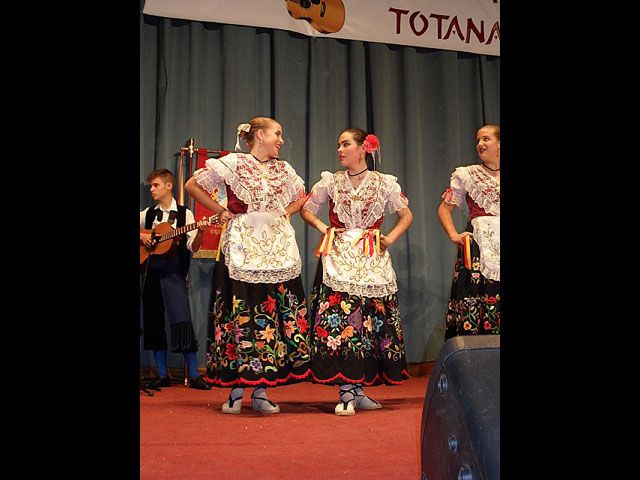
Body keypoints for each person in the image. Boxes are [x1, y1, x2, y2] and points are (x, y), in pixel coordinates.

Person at [184, 117, 312, 414]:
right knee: (241, 314)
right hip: (241, 246)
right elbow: (192, 184)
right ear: (259, 135)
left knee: (271, 315)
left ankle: (263, 391)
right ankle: (235, 390)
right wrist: (220, 211)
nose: (281, 140)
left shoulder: (284, 169)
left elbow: (300, 197)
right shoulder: (233, 163)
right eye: (277, 134)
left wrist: (283, 212)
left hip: (275, 248)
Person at [300, 128, 413, 416]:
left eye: (346, 144)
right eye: (338, 144)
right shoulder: (331, 182)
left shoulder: (384, 183)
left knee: (367, 322)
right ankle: (347, 390)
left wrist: (389, 238)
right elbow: (306, 209)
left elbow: (405, 214)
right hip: (339, 257)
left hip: (370, 256)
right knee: (341, 322)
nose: (340, 149)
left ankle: (358, 390)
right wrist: (324, 228)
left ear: (363, 148)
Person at [140, 168, 213, 390]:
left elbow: (194, 246)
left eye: (156, 185)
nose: (152, 189)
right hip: (150, 272)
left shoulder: (185, 215)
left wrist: (200, 231)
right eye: (151, 186)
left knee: (181, 320)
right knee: (153, 321)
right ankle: (162, 374)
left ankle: (193, 374)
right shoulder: (147, 214)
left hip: (173, 273)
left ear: (169, 186)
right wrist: (146, 237)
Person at [437, 124, 500, 340]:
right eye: (478, 140)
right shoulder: (468, 175)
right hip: (478, 248)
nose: (480, 144)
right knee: (476, 299)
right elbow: (444, 209)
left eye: (486, 139)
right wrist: (454, 235)